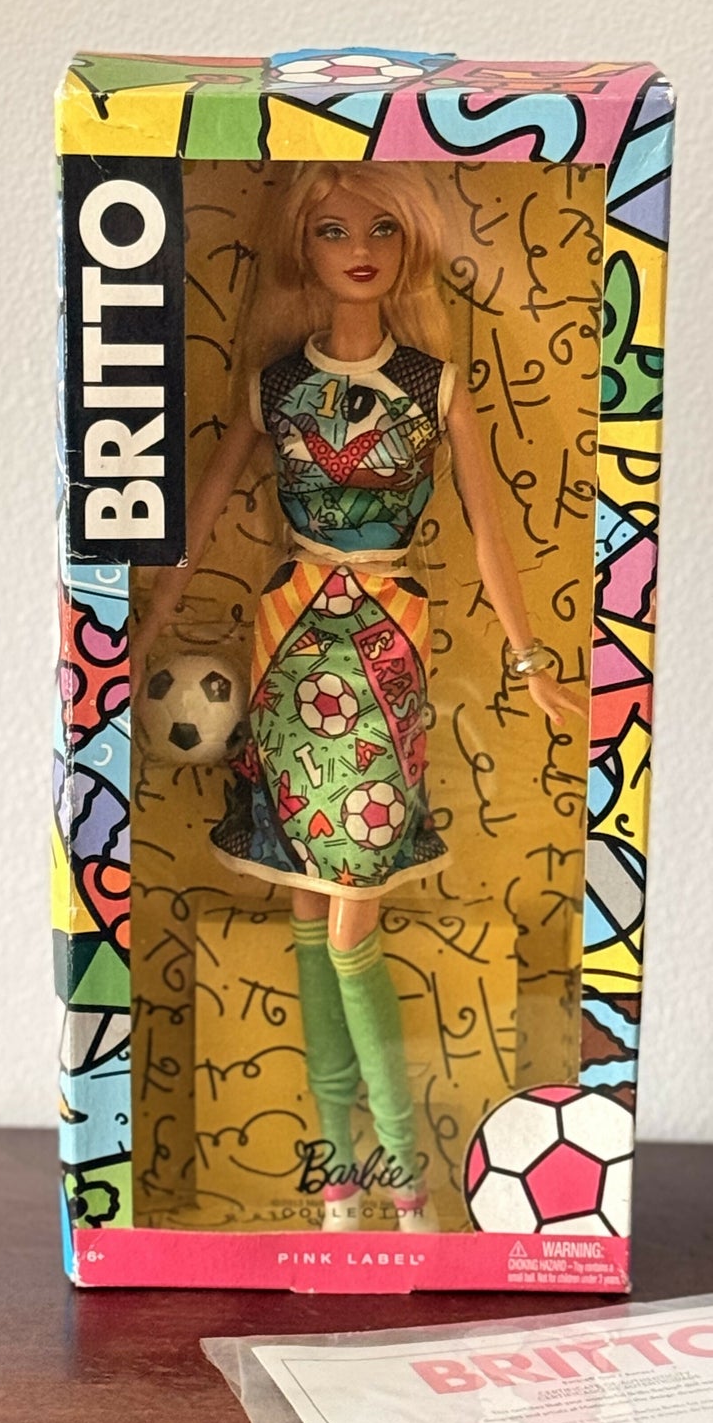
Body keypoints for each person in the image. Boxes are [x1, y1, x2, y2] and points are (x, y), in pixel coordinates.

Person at [134, 161, 583, 1233]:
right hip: (290, 639)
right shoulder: (276, 385)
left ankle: (407, 1179)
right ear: (303, 247)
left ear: (410, 240)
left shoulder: (433, 384)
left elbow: (488, 530)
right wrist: (139, 630)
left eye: (380, 228)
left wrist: (531, 662)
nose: (359, 250)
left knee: (349, 918)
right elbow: (200, 520)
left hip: (387, 641)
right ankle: (343, 1183)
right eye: (334, 231)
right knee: (308, 911)